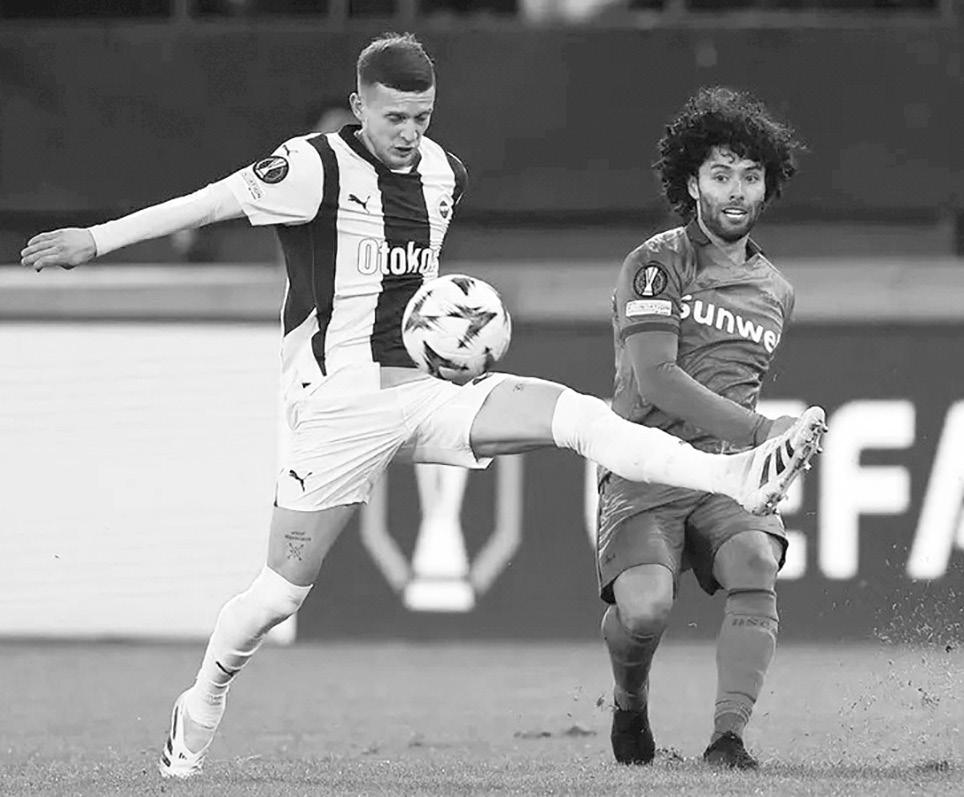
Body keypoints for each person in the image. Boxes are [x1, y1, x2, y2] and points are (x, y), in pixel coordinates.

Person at [20, 38, 825, 780]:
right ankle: (200, 703)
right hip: (336, 407)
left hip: (426, 391)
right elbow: (209, 202)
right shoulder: (310, 167)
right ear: (359, 105)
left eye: (423, 117)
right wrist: (97, 240)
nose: (409, 133)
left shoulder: (445, 174)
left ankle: (736, 475)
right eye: (394, 117)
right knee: (277, 596)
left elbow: (414, 281)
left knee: (575, 416)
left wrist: (453, 329)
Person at [599, 86, 815, 770]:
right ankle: (629, 700)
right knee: (644, 611)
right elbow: (656, 378)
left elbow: (736, 385)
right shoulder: (656, 263)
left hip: (726, 473)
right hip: (645, 466)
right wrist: (762, 430)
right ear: (692, 183)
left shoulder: (776, 291)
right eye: (721, 175)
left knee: (756, 562)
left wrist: (766, 452)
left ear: (767, 186)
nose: (736, 191)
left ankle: (728, 739)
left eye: (750, 176)